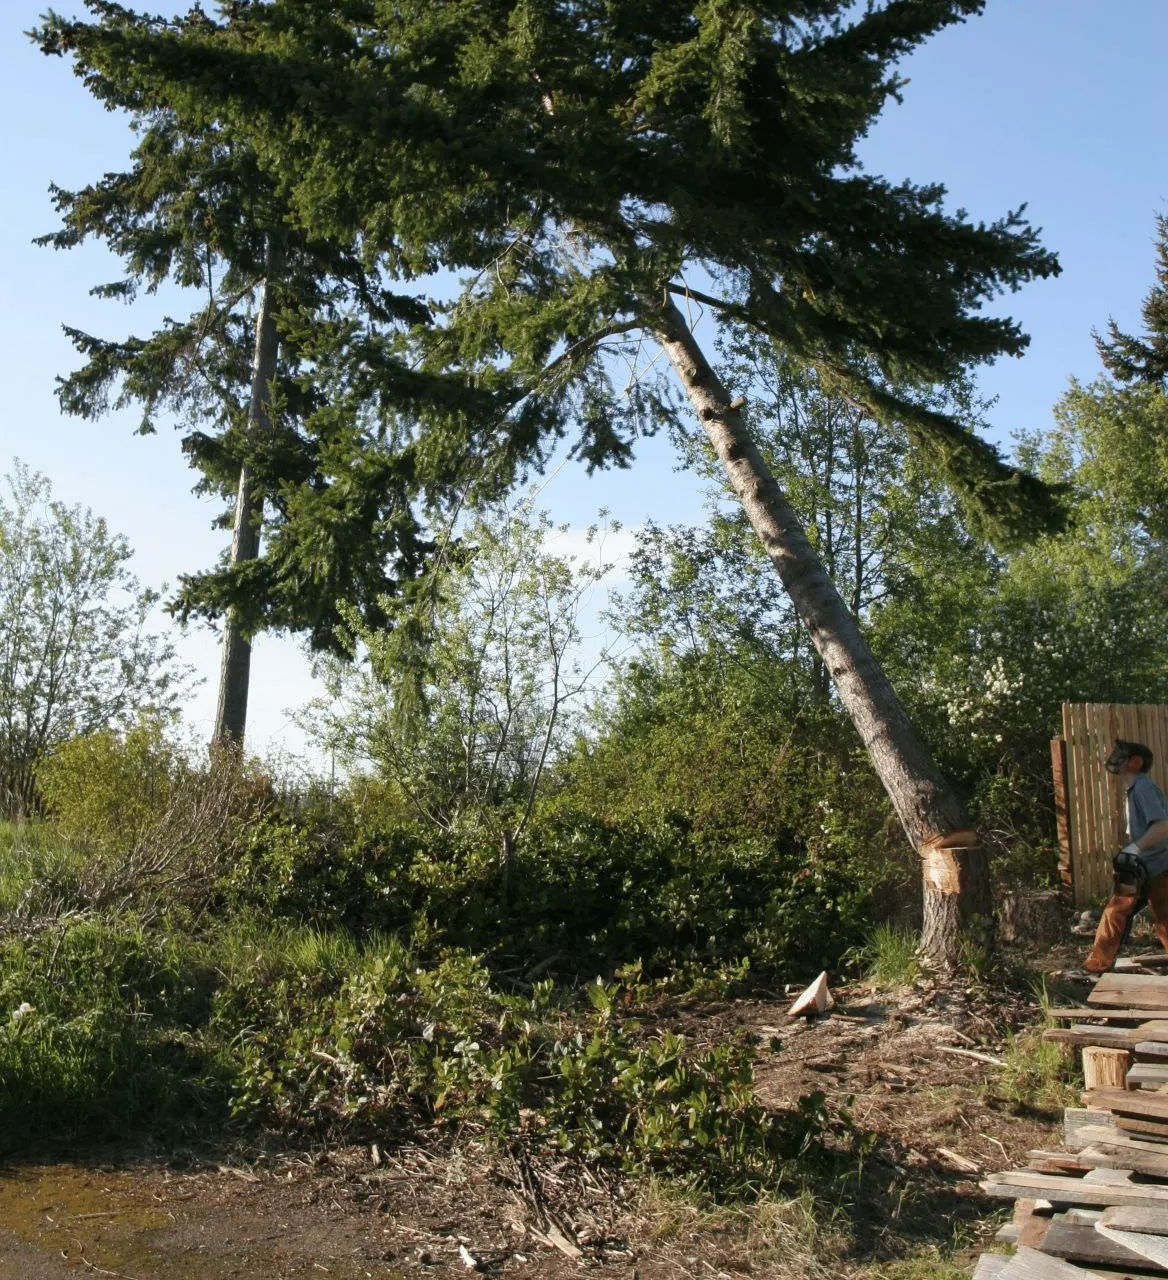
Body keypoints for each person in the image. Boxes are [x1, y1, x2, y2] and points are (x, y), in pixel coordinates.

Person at [1084, 738, 1168, 972]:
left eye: (1122, 754)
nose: (1114, 757)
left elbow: (1162, 827)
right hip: (1145, 866)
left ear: (1135, 762)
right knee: (1118, 911)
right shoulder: (1135, 789)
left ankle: (1097, 966)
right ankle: (1098, 965)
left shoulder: (1143, 788)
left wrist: (1133, 849)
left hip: (1158, 866)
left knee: (1122, 911)